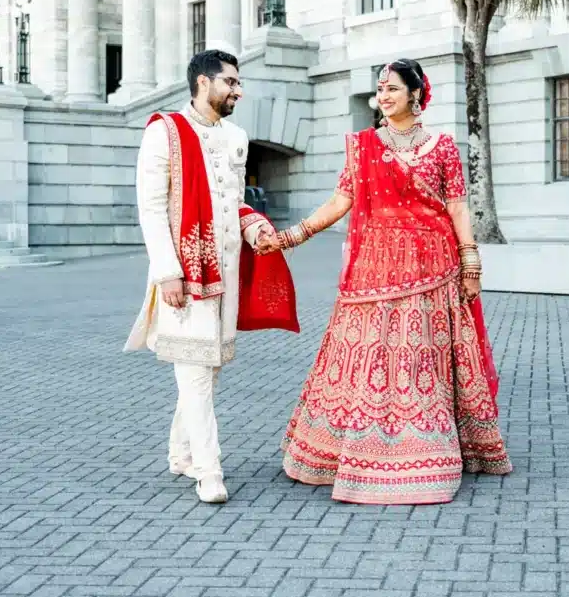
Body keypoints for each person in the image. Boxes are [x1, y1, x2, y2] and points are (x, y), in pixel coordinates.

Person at [272, 58, 512, 504]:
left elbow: (458, 208)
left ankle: (428, 452)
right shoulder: (363, 146)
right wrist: (293, 235)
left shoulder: (441, 146)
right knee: (369, 355)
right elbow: (341, 199)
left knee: (423, 357)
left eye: (392, 89)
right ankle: (353, 450)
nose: (382, 97)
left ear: (416, 94)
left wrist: (471, 261)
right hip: (374, 267)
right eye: (379, 89)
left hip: (433, 266)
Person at [125, 49, 296, 503]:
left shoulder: (237, 136)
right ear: (204, 83)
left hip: (226, 272)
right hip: (185, 271)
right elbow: (152, 207)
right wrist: (167, 273)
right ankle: (209, 471)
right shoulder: (165, 132)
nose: (238, 90)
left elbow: (234, 200)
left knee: (210, 368)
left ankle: (180, 454)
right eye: (230, 82)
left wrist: (254, 222)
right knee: (196, 371)